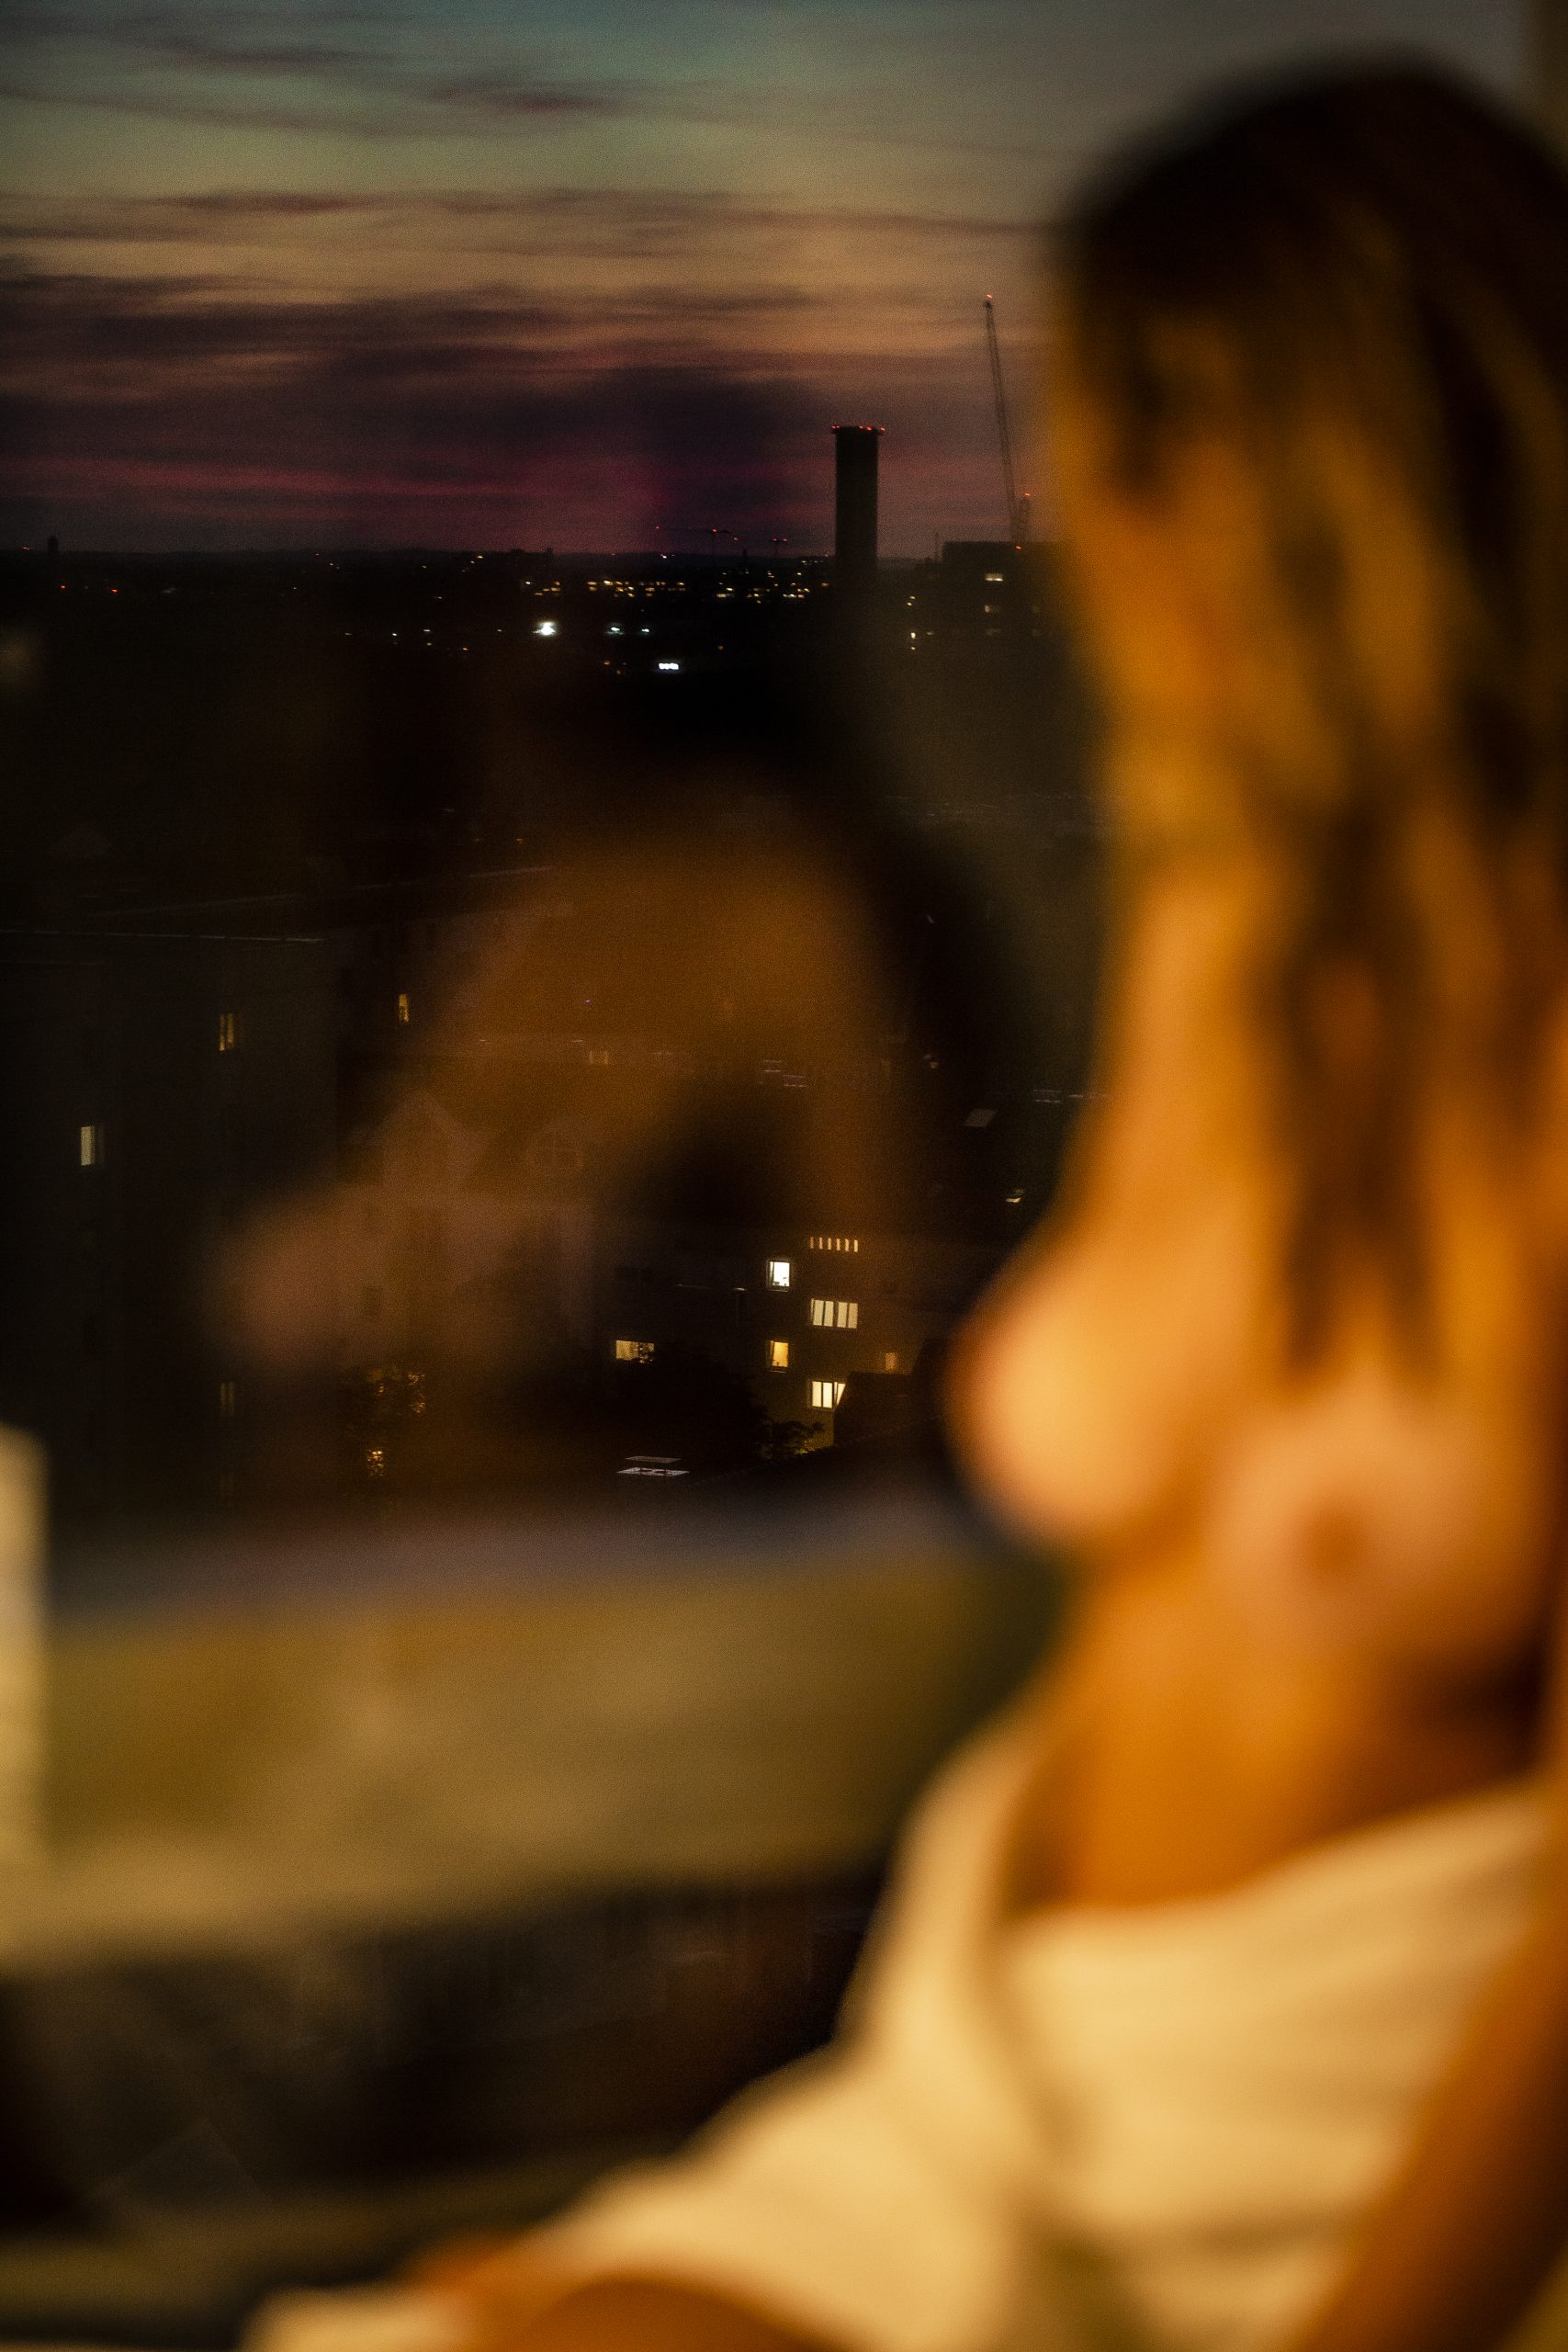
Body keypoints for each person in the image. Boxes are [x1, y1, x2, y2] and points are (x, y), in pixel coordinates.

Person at [254, 62, 1568, 2352]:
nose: (1079, 535)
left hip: (1313, 2132)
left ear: (1339, 462)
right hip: (990, 2072)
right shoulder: (1222, 928)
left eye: (1128, 448)